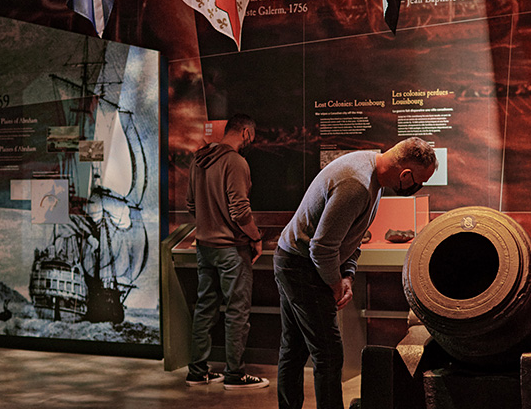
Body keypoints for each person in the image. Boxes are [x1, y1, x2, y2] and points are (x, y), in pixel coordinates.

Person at [275, 137, 437, 409]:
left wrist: (348, 274)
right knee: (327, 353)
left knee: (294, 349)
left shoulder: (373, 174)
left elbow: (352, 235)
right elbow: (322, 247)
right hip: (301, 266)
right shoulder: (357, 184)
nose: (418, 187)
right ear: (406, 174)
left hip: (298, 261)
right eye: (419, 181)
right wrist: (337, 283)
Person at [184, 114, 270, 390]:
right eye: (251, 138)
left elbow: (190, 205)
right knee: (236, 312)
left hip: (205, 248)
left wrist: (208, 225)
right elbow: (240, 211)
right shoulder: (235, 162)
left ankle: (197, 372)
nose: (250, 143)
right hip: (232, 250)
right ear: (245, 132)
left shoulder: (199, 160)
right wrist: (256, 238)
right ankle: (235, 375)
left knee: (204, 309)